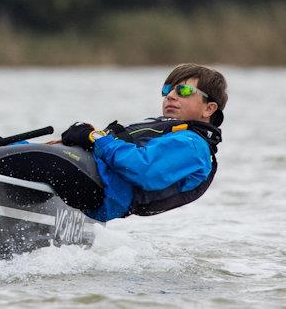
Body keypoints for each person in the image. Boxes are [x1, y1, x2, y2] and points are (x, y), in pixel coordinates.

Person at [57, 63, 227, 221]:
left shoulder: (192, 145)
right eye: (168, 90)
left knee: (31, 158)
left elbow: (142, 169)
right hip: (93, 178)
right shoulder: (174, 134)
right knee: (31, 148)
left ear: (208, 108)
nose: (170, 96)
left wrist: (95, 138)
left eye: (183, 91)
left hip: (102, 189)